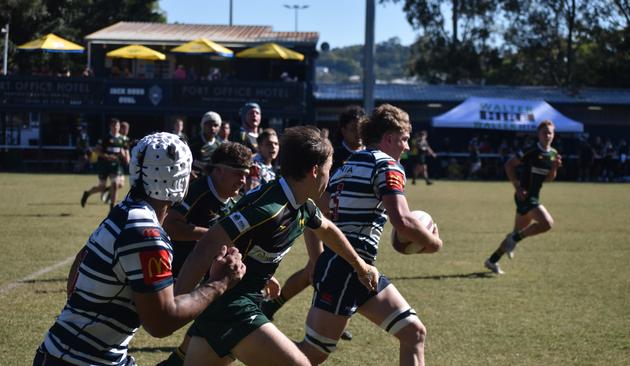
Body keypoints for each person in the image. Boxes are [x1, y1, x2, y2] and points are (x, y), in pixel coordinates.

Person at [34, 132, 246, 366]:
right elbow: (161, 322)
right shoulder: (146, 233)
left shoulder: (126, 210)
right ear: (179, 178)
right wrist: (220, 283)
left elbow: (77, 270)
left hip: (73, 354)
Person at [176, 126, 380, 366]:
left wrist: (360, 266)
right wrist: (176, 304)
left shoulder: (300, 202)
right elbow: (209, 243)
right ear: (315, 171)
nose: (330, 175)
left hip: (239, 301)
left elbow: (326, 229)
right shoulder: (270, 210)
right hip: (231, 305)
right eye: (329, 168)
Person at [297, 104, 443, 366]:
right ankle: (243, 344)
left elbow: (315, 214)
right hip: (346, 269)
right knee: (309, 355)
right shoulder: (388, 166)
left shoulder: (348, 166)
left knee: (413, 332)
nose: (407, 148)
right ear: (389, 138)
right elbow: (403, 221)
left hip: (359, 269)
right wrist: (433, 243)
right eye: (404, 139)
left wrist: (316, 259)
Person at [260, 105, 366, 340]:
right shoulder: (330, 154)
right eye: (353, 129)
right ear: (343, 130)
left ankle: (273, 306)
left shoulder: (366, 156)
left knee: (314, 271)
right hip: (318, 217)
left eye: (362, 129)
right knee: (318, 269)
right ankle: (328, 319)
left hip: (346, 226)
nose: (358, 134)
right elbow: (317, 193)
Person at [158, 142, 253, 366]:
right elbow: (170, 225)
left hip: (206, 276)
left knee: (215, 318)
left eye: (246, 174)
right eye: (238, 173)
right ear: (218, 170)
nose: (243, 180)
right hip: (176, 274)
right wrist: (213, 234)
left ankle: (175, 362)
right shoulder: (197, 192)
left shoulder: (234, 200)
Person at [484, 120, 562, 275]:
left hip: (534, 196)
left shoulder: (553, 154)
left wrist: (554, 168)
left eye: (550, 133)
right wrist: (518, 187)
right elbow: (509, 165)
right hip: (525, 196)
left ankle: (492, 260)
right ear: (538, 134)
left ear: (554, 135)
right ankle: (515, 239)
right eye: (544, 132)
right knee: (547, 223)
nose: (547, 135)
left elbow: (548, 179)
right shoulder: (530, 151)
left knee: (516, 233)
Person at [80, 118, 128, 209]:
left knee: (116, 184)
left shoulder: (122, 139)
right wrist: (106, 156)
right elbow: (96, 150)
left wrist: (125, 157)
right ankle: (87, 193)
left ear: (119, 127)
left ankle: (112, 207)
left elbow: (125, 153)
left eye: (117, 126)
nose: (115, 127)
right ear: (110, 127)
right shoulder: (105, 138)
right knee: (101, 187)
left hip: (116, 166)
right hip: (104, 165)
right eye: (113, 126)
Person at [190, 111, 222, 178]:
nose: (212, 128)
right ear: (203, 125)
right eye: (209, 124)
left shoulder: (220, 146)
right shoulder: (192, 143)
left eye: (215, 125)